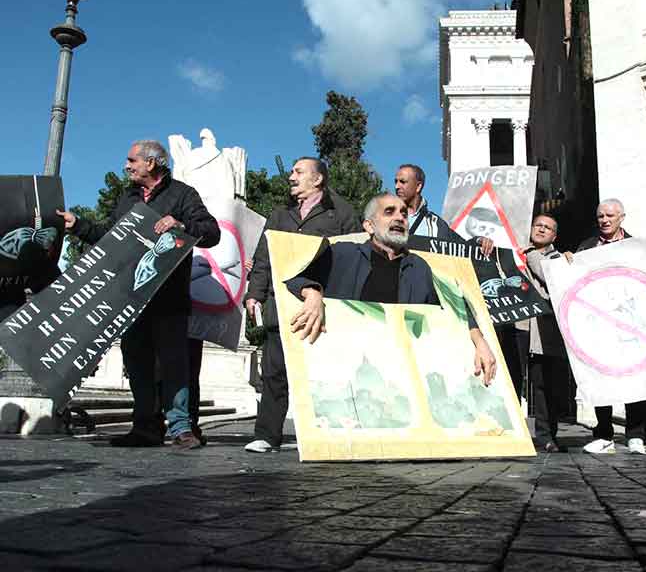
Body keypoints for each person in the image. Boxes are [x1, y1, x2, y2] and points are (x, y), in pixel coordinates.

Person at [58, 140, 221, 449]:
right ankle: (145, 427)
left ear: (152, 163)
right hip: (131, 300)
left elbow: (211, 231)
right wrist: (77, 225)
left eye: (132, 160)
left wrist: (181, 224)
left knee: (174, 363)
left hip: (169, 298)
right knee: (137, 364)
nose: (127, 165)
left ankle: (181, 428)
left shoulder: (183, 194)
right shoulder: (127, 199)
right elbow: (109, 237)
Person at [284, 193, 497, 387]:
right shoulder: (342, 254)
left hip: (399, 380)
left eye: (404, 213)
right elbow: (295, 276)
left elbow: (452, 309)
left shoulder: (419, 269)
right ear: (369, 226)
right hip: (344, 378)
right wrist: (312, 294)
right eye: (389, 212)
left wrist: (479, 342)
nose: (400, 217)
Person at [243, 157, 359, 453]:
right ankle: (267, 435)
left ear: (317, 179)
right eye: (292, 171)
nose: (291, 177)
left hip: (324, 306)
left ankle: (331, 437)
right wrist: (254, 294)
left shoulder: (341, 213)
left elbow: (353, 256)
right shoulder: (280, 215)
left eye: (298, 172)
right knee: (274, 372)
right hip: (280, 306)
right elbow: (262, 259)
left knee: (326, 373)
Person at [570, 198, 646, 455]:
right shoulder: (586, 247)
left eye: (610, 216)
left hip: (631, 324)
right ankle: (603, 431)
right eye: (600, 216)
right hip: (600, 325)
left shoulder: (637, 247)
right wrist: (568, 262)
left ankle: (637, 434)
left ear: (622, 217)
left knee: (636, 377)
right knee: (600, 377)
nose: (604, 220)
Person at [521, 214, 570, 452]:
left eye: (547, 227)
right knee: (526, 383)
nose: (541, 229)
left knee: (546, 386)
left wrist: (530, 254)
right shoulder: (515, 251)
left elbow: (547, 275)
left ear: (554, 236)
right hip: (521, 327)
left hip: (546, 332)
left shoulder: (556, 257)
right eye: (538, 225)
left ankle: (547, 435)